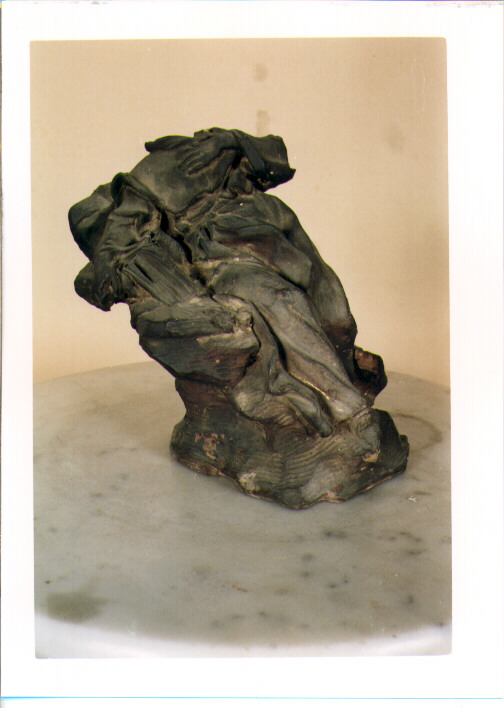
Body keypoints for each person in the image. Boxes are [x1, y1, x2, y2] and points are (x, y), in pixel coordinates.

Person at [70, 128, 385, 444]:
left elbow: (275, 157)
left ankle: (345, 369)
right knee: (281, 299)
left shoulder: (227, 158)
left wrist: (232, 141)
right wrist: (109, 260)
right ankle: (348, 408)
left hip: (262, 230)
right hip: (219, 256)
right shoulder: (164, 170)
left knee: (328, 298)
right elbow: (124, 224)